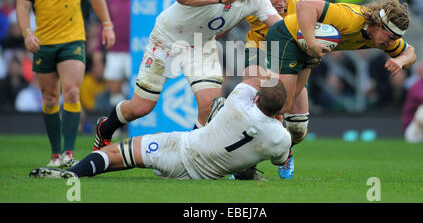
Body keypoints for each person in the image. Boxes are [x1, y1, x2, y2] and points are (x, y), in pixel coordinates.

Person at [93, 0, 282, 151]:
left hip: (201, 44)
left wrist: (308, 37)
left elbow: (280, 28)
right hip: (166, 40)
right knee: (141, 108)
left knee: (210, 107)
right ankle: (105, 128)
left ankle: (189, 154)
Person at [29, 78, 291, 180]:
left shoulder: (239, 100)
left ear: (257, 98)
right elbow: (281, 159)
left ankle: (73, 174)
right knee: (249, 156)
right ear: (280, 112)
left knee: (116, 155)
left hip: (180, 150)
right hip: (206, 177)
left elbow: (250, 81)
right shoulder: (281, 138)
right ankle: (246, 174)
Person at [16, 0, 115, 168]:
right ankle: (55, 153)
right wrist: (27, 33)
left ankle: (68, 154)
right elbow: (22, 5)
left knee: (71, 92)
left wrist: (107, 24)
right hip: (44, 43)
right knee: (50, 98)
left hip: (72, 39)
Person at [265, 0, 417, 149]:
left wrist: (400, 60)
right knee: (280, 105)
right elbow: (304, 5)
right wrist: (311, 44)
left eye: (396, 38)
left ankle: (281, 149)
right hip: (286, 37)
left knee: (298, 129)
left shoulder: (385, 38)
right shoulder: (351, 18)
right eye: (391, 37)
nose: (393, 43)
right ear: (378, 24)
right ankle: (249, 124)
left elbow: (410, 52)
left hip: (305, 50)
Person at [233, 0, 304, 180]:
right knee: (249, 96)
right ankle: (244, 162)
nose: (282, 2)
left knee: (298, 127)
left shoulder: (299, 8)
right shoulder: (252, 0)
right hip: (258, 49)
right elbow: (229, 17)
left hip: (288, 57)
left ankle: (286, 150)